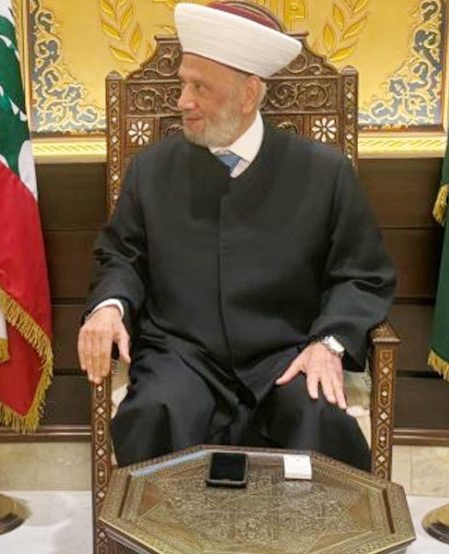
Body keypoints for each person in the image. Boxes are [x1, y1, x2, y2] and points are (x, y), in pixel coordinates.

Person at [78, 2, 395, 471]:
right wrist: (110, 307)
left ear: (248, 95)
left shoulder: (324, 173)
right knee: (156, 411)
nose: (182, 101)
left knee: (318, 419)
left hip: (288, 353)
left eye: (200, 87)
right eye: (183, 83)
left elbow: (362, 274)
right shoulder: (151, 170)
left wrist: (328, 343)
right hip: (182, 356)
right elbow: (122, 256)